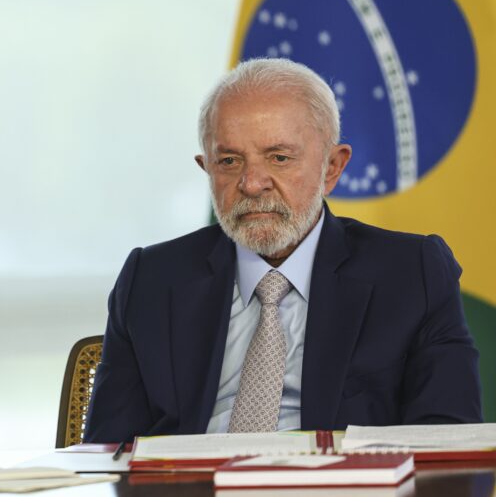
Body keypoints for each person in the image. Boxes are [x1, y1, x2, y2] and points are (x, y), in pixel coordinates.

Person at [84, 58, 481, 443]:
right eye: (229, 161)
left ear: (332, 167)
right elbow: (107, 452)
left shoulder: (412, 273)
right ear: (207, 169)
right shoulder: (150, 279)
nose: (252, 183)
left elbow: (447, 442)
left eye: (279, 158)